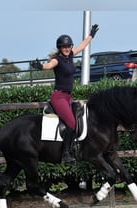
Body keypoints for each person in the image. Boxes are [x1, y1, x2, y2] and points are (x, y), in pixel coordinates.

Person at [31, 24, 99, 164]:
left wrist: (91, 35)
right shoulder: (58, 59)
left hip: (68, 97)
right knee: (72, 123)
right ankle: (65, 154)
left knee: (82, 117)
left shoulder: (71, 55)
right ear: (60, 48)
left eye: (69, 46)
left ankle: (78, 146)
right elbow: (49, 65)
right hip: (58, 97)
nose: (67, 49)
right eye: (64, 47)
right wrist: (41, 66)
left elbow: (82, 45)